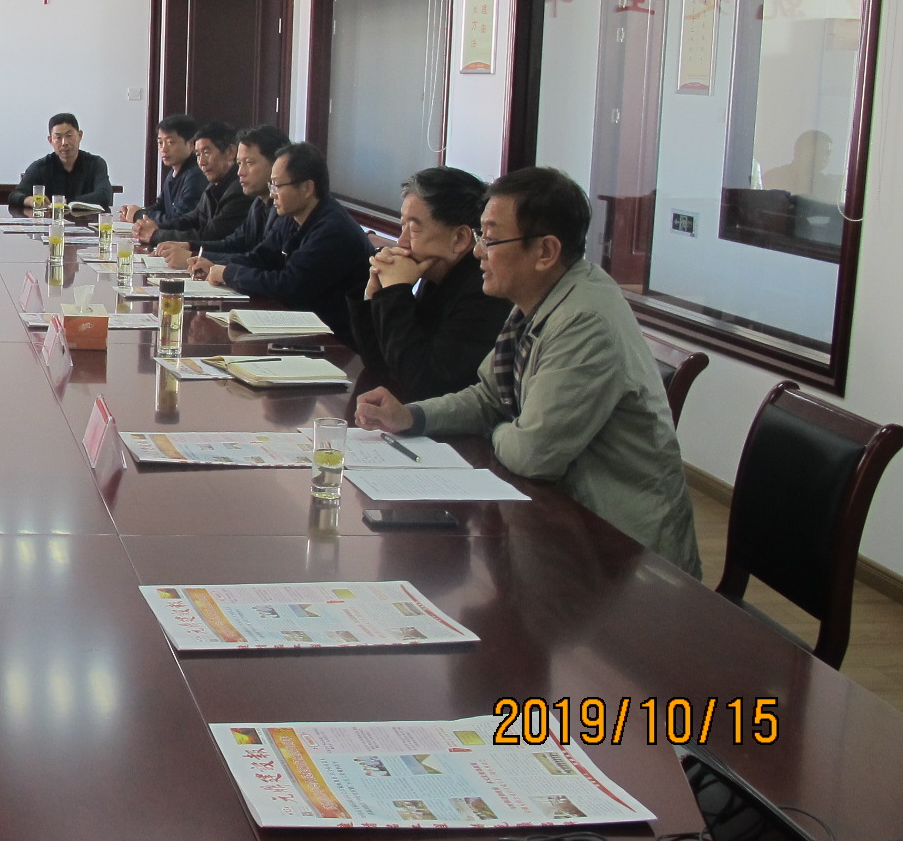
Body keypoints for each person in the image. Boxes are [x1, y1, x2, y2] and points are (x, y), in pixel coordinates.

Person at [354, 167, 700, 576]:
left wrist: (500, 425)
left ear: (546, 252)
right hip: (564, 526)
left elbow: (534, 454)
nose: (478, 252)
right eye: (480, 236)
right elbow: (487, 396)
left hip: (626, 558)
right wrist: (412, 417)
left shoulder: (585, 321)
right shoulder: (538, 297)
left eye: (491, 238)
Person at [348, 166, 514, 402]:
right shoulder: (435, 275)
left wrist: (396, 292)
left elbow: (423, 384)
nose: (401, 241)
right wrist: (375, 294)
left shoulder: (483, 292)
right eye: (402, 226)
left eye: (414, 228)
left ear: (460, 238)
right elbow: (380, 364)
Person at [191, 143, 374, 344]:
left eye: (277, 186)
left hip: (336, 342)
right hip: (301, 328)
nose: (272, 194)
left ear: (307, 188)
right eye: (271, 186)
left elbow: (288, 286)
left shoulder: (332, 229)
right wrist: (211, 263)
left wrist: (228, 273)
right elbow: (261, 257)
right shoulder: (292, 216)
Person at [151, 124, 288, 268]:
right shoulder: (258, 203)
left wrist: (193, 256)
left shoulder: (284, 209)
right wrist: (189, 245)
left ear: (277, 164)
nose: (240, 172)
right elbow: (234, 242)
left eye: (249, 163)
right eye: (239, 163)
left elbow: (261, 261)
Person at [136, 121, 248, 247]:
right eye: (198, 154)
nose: (201, 162)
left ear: (230, 152)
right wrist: (155, 227)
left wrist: (156, 235)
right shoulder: (213, 185)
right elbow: (190, 219)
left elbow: (210, 235)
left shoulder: (240, 189)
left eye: (206, 152)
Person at [14, 112, 113, 209]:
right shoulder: (40, 167)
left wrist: (67, 202)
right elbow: (15, 195)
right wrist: (29, 200)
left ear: (80, 135)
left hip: (87, 219)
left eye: (69, 136)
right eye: (58, 137)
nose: (64, 143)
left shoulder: (95, 164)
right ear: (50, 140)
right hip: (50, 219)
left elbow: (104, 195)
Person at [124, 114, 206, 228]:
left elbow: (179, 221)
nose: (164, 149)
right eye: (160, 143)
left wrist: (138, 215)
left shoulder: (196, 175)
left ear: (191, 144)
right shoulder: (173, 172)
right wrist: (135, 212)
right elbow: (161, 206)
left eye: (170, 142)